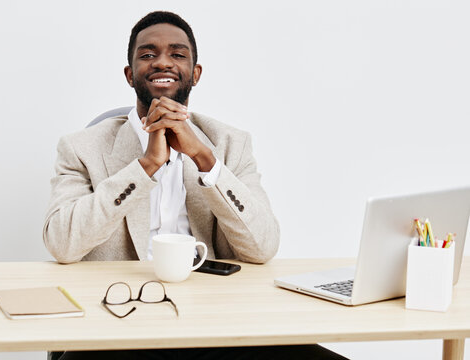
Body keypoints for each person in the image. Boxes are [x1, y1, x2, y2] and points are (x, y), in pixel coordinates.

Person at [43, 11, 347, 360]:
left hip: (214, 322)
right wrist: (146, 166)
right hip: (118, 324)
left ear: (195, 73)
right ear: (130, 75)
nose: (162, 62)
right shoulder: (81, 147)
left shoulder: (231, 144)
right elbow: (62, 244)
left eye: (177, 54)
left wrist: (205, 159)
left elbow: (263, 246)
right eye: (147, 54)